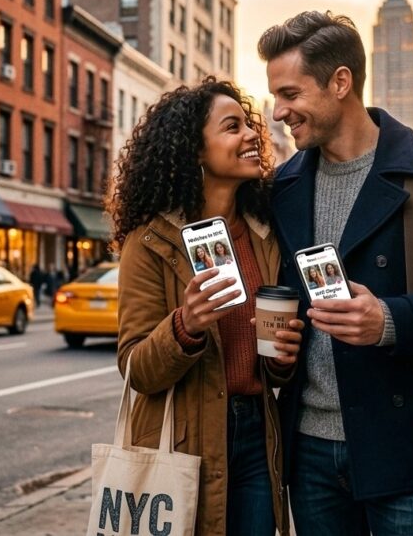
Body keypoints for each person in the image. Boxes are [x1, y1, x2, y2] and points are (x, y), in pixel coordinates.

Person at [259, 11, 413, 534]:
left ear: (340, 82)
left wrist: (390, 321)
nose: (279, 111)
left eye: (290, 94)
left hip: (409, 447)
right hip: (309, 452)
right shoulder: (282, 186)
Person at [108, 79, 304, 536]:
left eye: (249, 126)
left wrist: (282, 358)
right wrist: (185, 326)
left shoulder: (264, 235)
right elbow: (135, 367)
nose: (252, 136)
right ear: (195, 151)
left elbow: (267, 364)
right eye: (232, 127)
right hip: (182, 440)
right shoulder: (151, 242)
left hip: (257, 435)